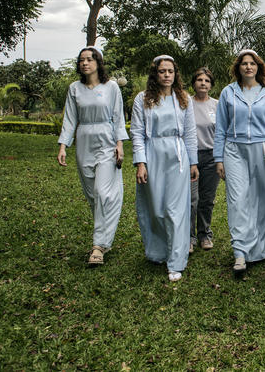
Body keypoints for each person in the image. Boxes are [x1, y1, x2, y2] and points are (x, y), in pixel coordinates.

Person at [58, 46, 128, 266]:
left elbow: (118, 117)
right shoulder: (74, 89)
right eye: (81, 60)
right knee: (93, 195)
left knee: (102, 192)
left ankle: (98, 246)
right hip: (84, 140)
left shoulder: (111, 87)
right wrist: (63, 145)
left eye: (89, 59)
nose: (85, 63)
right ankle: (105, 236)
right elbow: (70, 119)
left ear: (98, 62)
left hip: (106, 141)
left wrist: (120, 144)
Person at [131, 55, 199, 282]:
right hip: (153, 154)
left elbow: (190, 133)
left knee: (176, 211)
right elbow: (137, 133)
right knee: (156, 209)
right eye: (162, 71)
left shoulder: (184, 99)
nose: (167, 75)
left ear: (175, 74)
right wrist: (141, 162)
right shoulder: (143, 99)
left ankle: (176, 261)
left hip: (178, 155)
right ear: (155, 74)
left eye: (170, 71)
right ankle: (158, 252)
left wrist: (193, 162)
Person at [214, 50, 265, 276]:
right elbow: (220, 127)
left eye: (252, 64)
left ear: (258, 67)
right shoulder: (228, 93)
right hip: (234, 150)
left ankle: (261, 246)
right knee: (238, 199)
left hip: (262, 150)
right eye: (244, 64)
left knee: (263, 199)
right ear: (238, 67)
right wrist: (218, 158)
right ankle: (240, 251)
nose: (248, 67)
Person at [189, 67, 221, 253]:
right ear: (194, 83)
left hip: (211, 157)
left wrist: (220, 158)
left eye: (207, 81)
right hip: (190, 157)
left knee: (207, 199)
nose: (203, 83)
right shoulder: (185, 103)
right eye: (199, 80)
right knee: (192, 199)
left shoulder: (216, 105)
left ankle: (204, 234)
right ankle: (189, 237)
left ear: (211, 85)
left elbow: (222, 132)